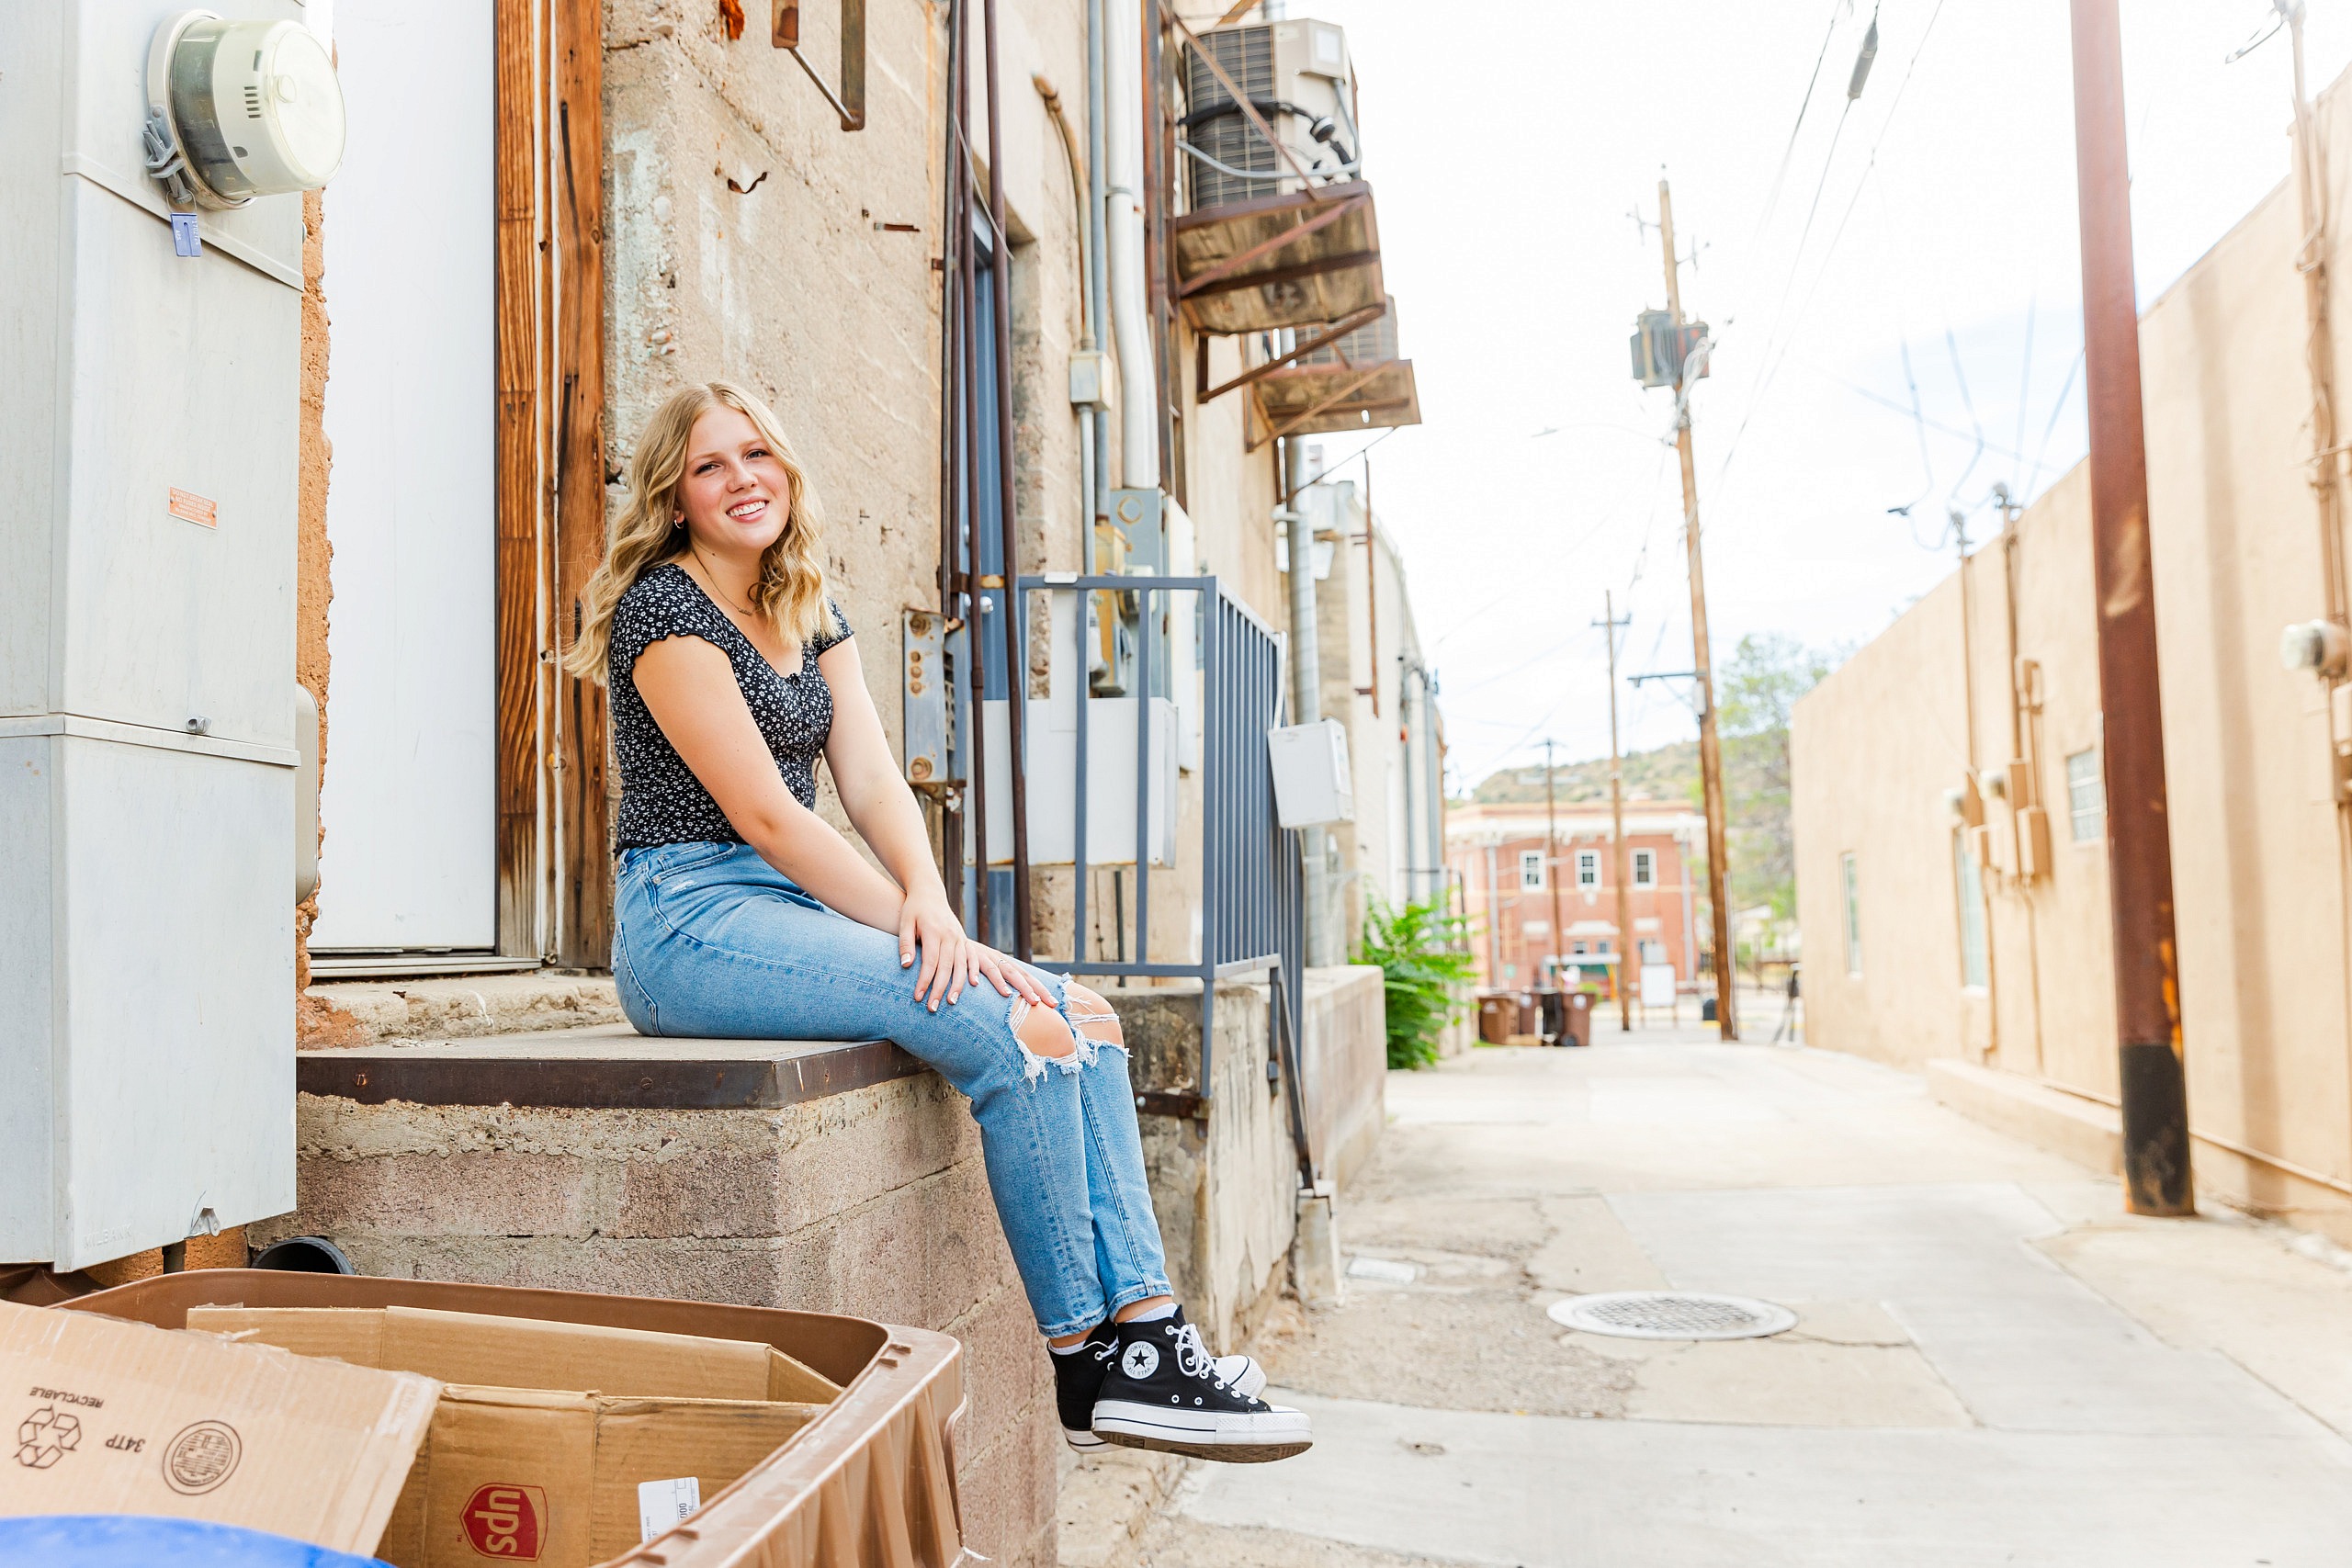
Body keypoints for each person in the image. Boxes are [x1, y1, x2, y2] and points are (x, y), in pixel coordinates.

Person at [563, 381, 1309, 1463]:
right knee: (1008, 1025)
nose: (743, 480)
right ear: (675, 495)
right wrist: (933, 940)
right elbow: (770, 818)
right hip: (691, 918)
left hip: (780, 906)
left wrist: (931, 902)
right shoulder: (662, 611)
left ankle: (1146, 1337)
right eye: (712, 464)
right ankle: (1083, 1363)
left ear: (786, 471)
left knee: (1080, 1015)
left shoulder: (806, 601)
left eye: (758, 455)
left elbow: (868, 780)